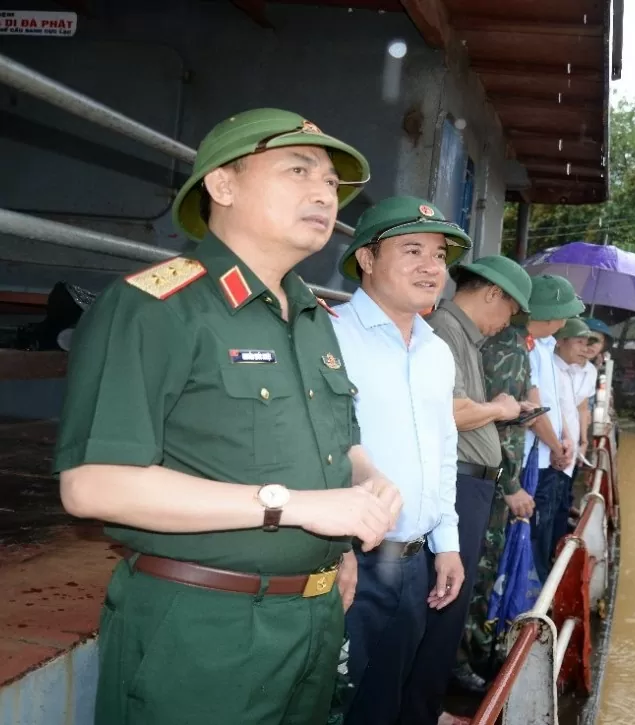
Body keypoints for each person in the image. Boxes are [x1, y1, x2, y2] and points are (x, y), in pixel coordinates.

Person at [52, 108, 404, 725]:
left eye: (330, 182)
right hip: (201, 627)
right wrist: (290, 505)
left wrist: (364, 488)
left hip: (316, 616)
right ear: (222, 185)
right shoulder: (156, 306)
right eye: (299, 170)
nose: (323, 192)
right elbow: (92, 485)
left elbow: (336, 445)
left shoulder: (311, 313)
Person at [329, 196, 477, 725]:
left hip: (413, 565)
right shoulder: (329, 335)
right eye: (411, 249)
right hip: (348, 563)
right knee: (331, 706)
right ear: (367, 259)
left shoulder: (436, 350)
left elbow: (441, 450)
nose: (430, 266)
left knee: (384, 705)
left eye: (438, 255)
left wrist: (447, 543)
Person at [417, 254, 533, 718]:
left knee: (449, 608)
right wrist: (502, 410)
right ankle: (427, 711)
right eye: (508, 311)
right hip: (460, 484)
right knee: (441, 606)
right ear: (492, 294)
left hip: (471, 484)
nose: (504, 323)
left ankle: (429, 710)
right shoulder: (446, 330)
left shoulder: (461, 335)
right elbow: (453, 411)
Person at [462, 275, 577, 679]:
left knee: (483, 569)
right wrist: (511, 486)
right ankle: (470, 661)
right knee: (479, 572)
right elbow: (499, 427)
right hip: (493, 477)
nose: (564, 325)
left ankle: (472, 654)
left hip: (494, 474)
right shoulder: (509, 346)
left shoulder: (517, 345)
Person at [522, 277, 585, 584]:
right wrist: (558, 446)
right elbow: (534, 411)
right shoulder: (529, 348)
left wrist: (564, 442)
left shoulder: (545, 347)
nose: (565, 320)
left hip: (551, 455)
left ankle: (542, 583)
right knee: (534, 530)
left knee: (545, 528)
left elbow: (553, 409)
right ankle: (535, 593)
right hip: (535, 459)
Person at [552, 318, 598, 545]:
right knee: (549, 510)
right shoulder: (553, 369)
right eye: (579, 342)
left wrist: (582, 439)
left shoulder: (579, 371)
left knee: (560, 504)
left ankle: (557, 550)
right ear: (560, 341)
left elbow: (580, 408)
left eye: (587, 343)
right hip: (555, 452)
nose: (585, 348)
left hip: (567, 450)